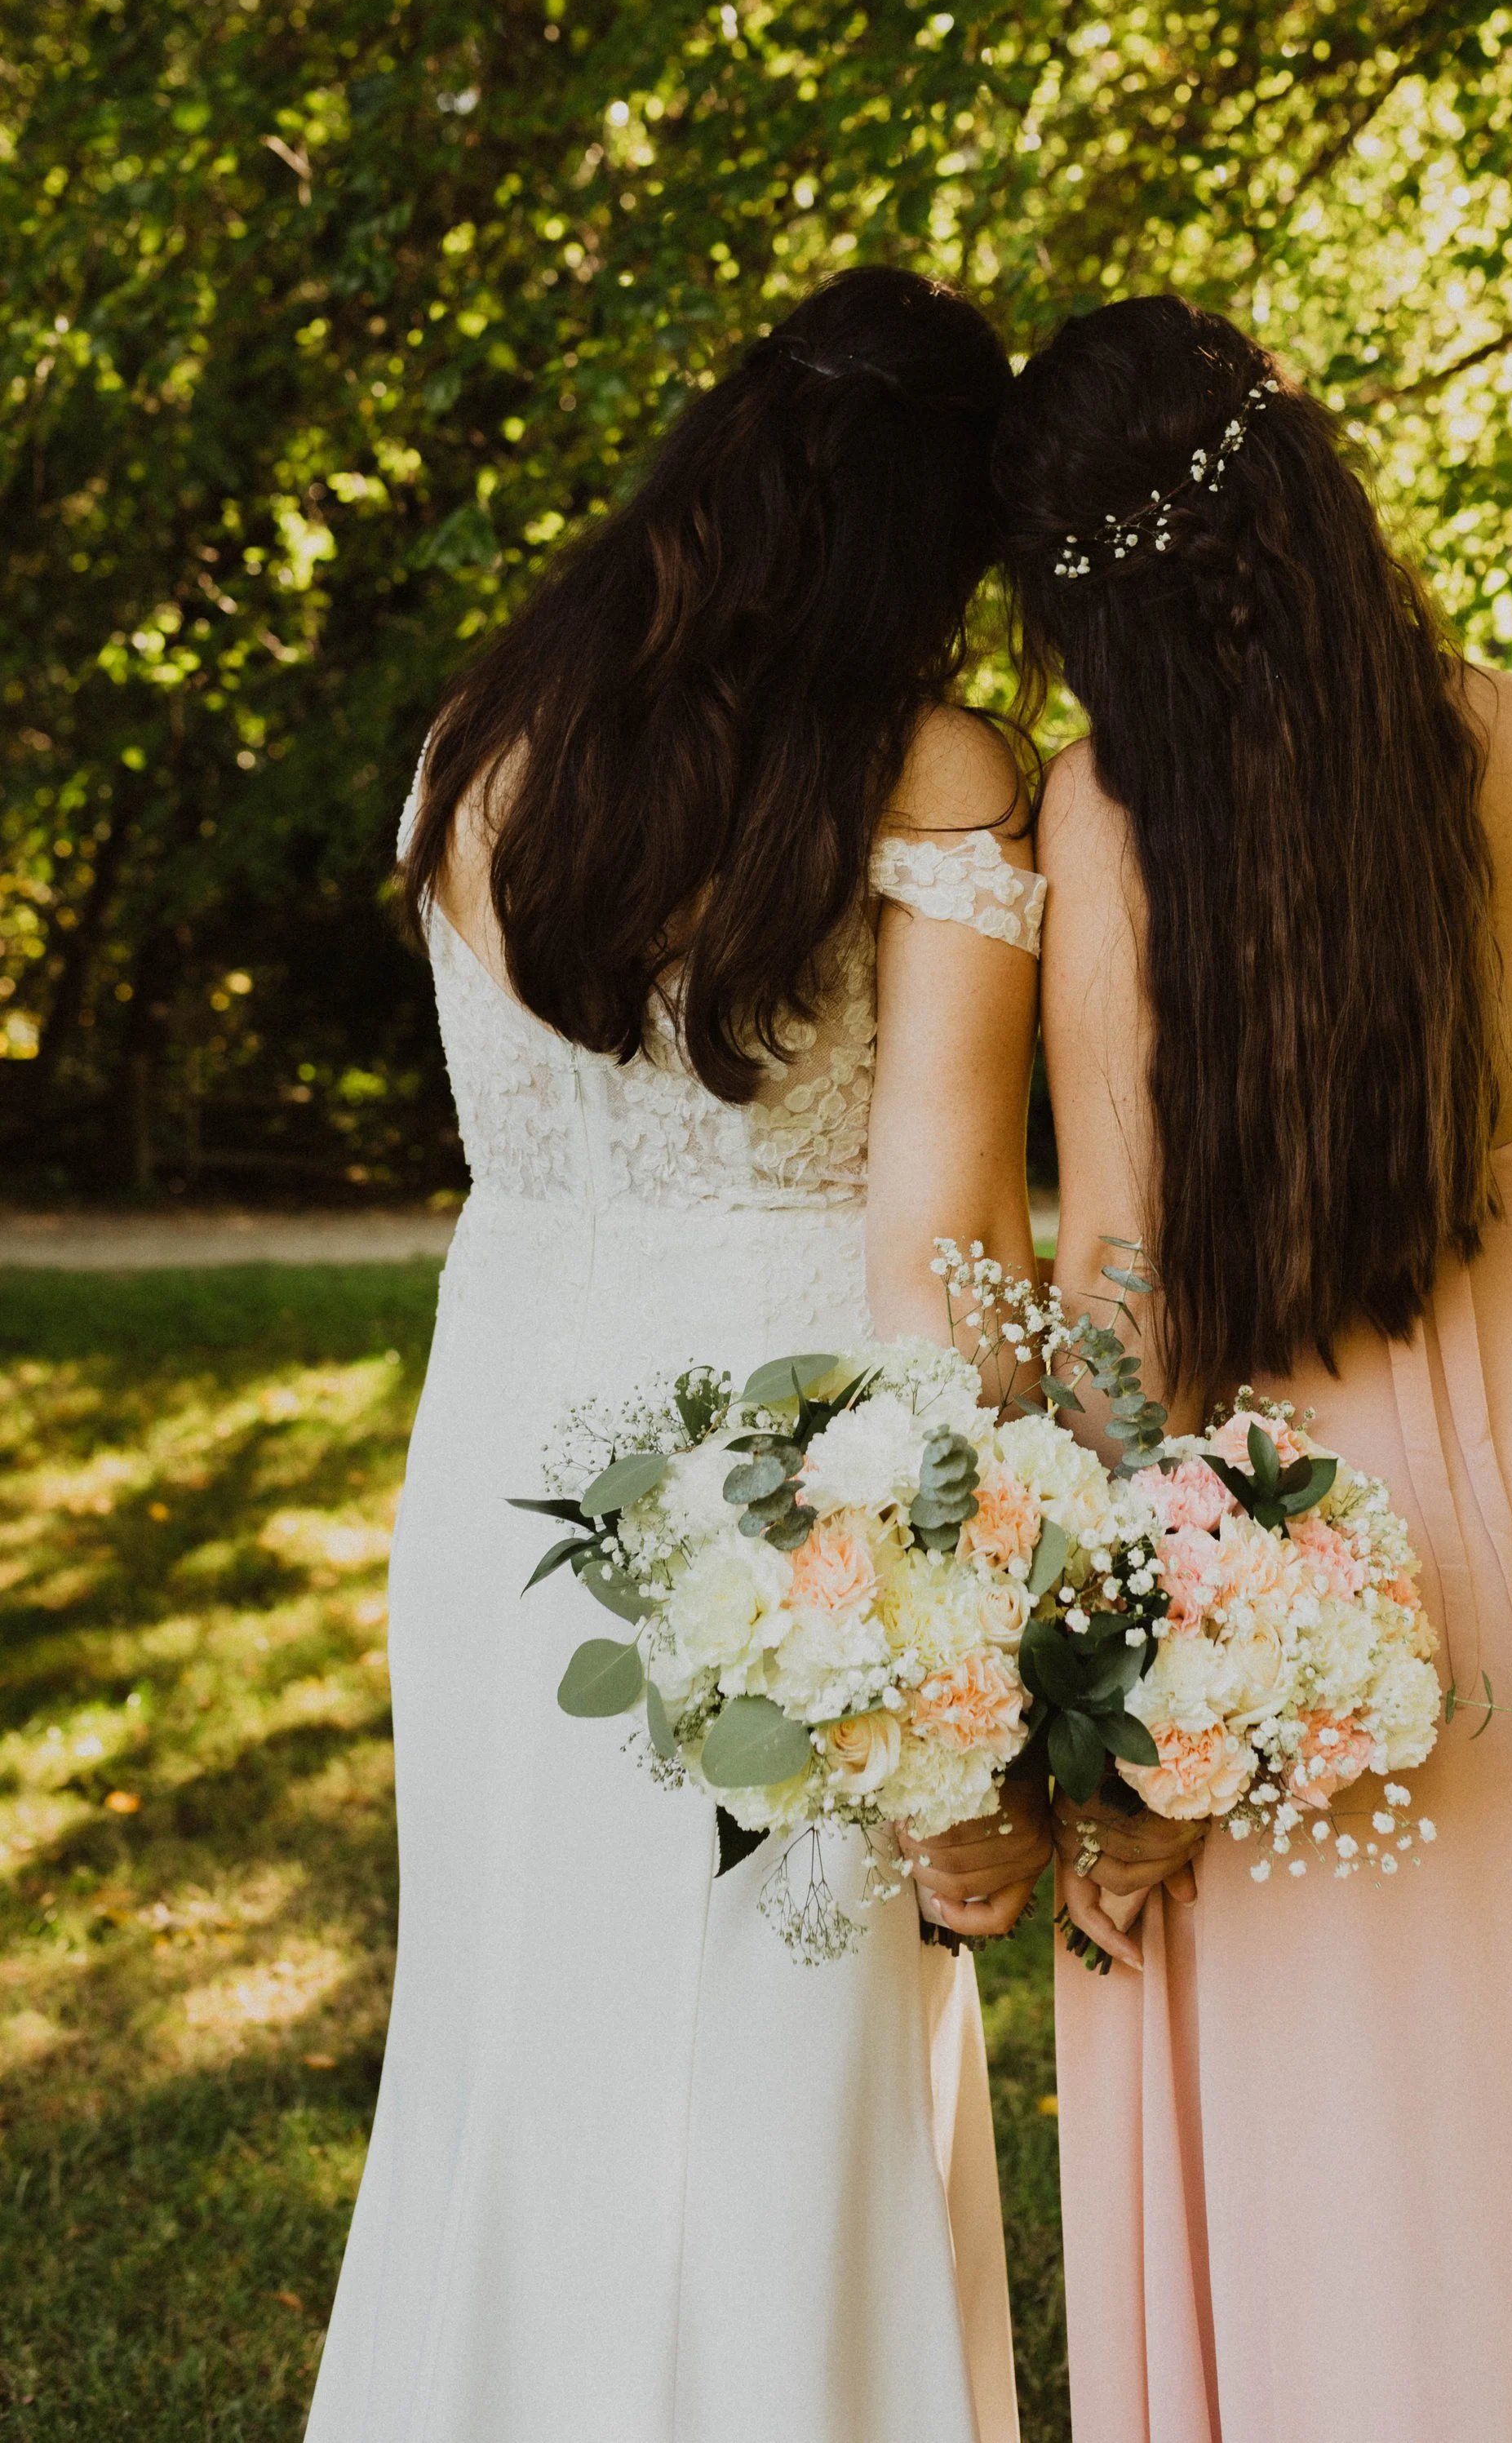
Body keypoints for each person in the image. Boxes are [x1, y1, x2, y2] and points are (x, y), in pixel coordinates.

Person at [995, 295, 1512, 2443]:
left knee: (1348, 2107)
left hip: (1298, 1498)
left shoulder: (1113, 809)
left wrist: (1086, 1662)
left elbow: (1115, 1268)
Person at [307, 268, 1049, 2443]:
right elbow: (938, 1232)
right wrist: (987, 1603)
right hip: (795, 1476)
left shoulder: (483, 733)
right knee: (772, 2067)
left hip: (503, 1451)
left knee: (519, 2033)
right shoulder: (926, 765)